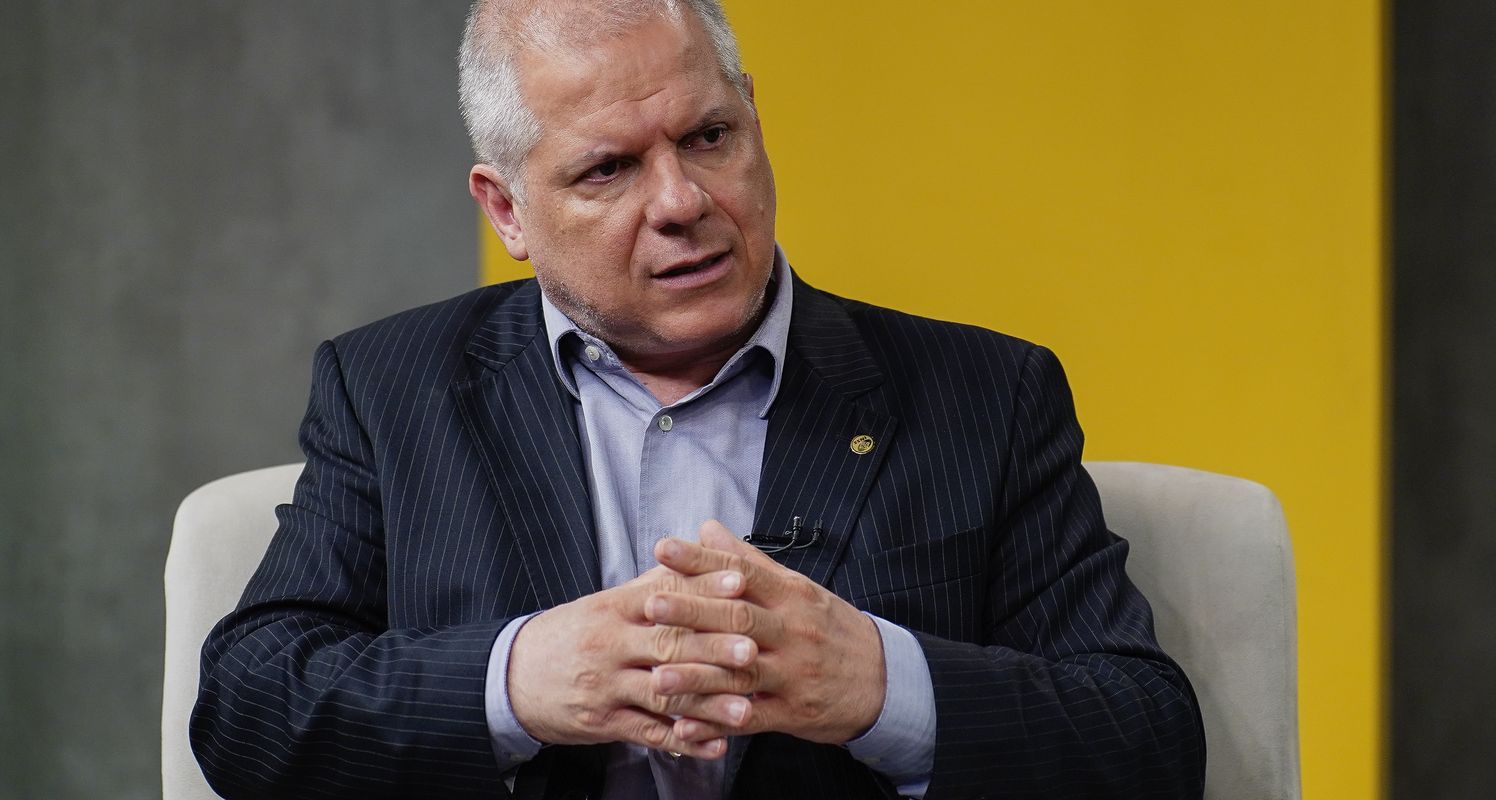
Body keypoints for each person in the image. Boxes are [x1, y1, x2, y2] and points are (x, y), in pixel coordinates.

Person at [190, 1, 1205, 797]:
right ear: (507, 210)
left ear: (754, 118)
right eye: (608, 168)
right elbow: (250, 707)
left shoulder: (986, 395)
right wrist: (516, 679)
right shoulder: (392, 389)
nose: (681, 201)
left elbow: (1145, 739)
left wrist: (880, 683)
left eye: (709, 136)